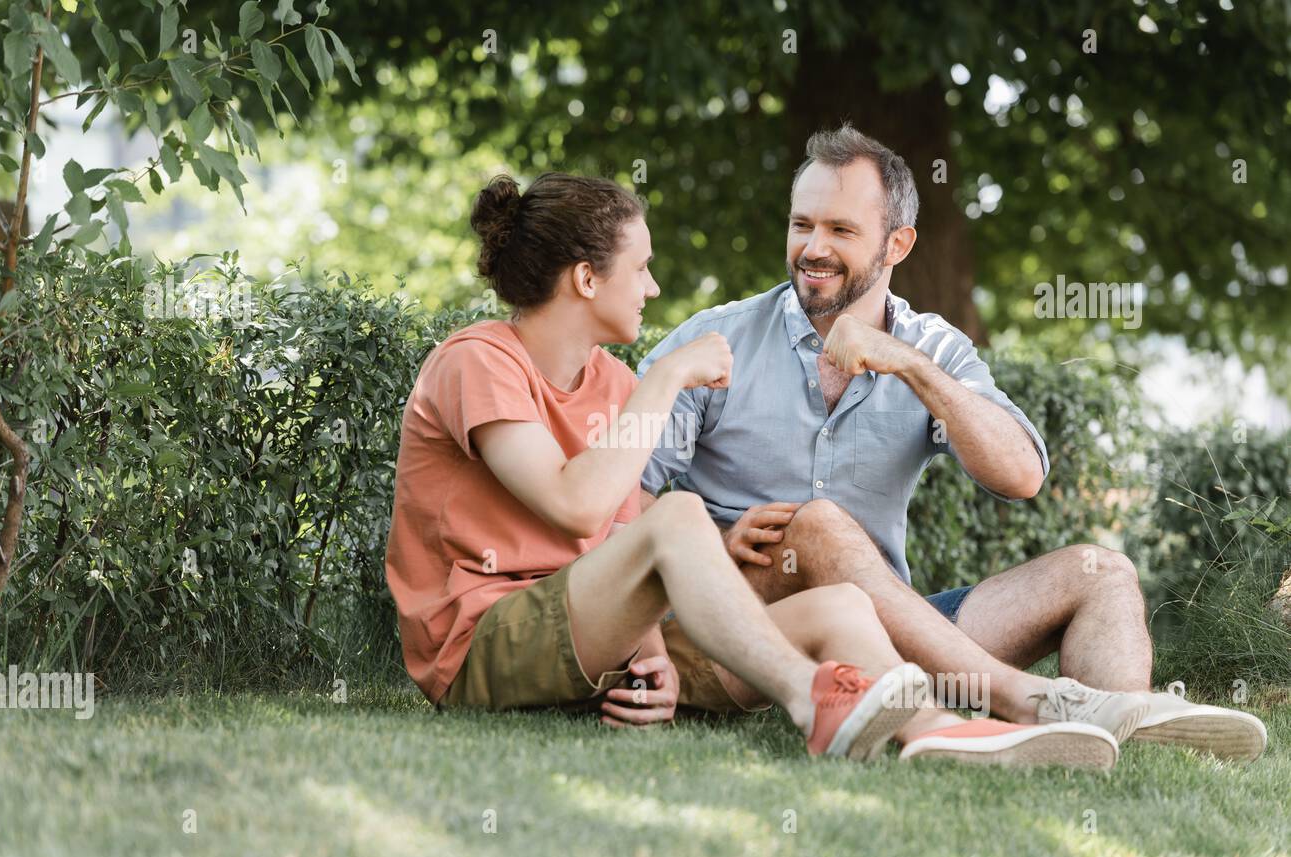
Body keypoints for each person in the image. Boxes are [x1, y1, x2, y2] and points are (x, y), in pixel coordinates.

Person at [385, 171, 1123, 768]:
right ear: (585, 279)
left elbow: (615, 535)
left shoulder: (611, 384)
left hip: (586, 641)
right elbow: (574, 507)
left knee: (843, 607)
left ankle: (938, 734)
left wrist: (657, 658)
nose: (651, 288)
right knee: (678, 516)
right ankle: (812, 700)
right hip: (483, 644)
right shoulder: (478, 361)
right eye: (640, 269)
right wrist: (668, 375)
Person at [636, 125, 1267, 763]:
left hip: (887, 633)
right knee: (818, 525)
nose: (812, 248)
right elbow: (618, 496)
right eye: (802, 225)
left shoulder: (930, 348)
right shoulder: (715, 342)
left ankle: (1100, 738)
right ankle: (1028, 700)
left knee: (1102, 573)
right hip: (740, 632)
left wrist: (907, 366)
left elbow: (1020, 474)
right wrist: (712, 546)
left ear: (898, 244)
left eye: (841, 231)